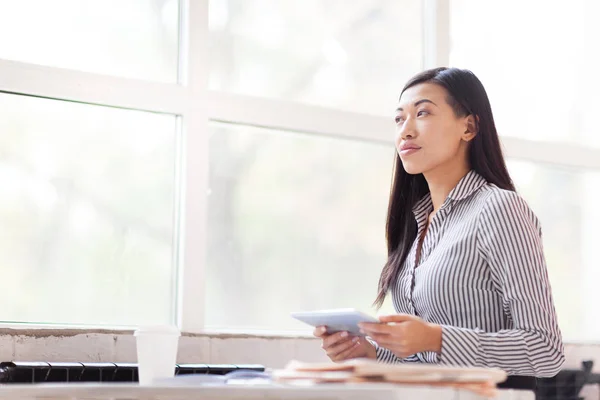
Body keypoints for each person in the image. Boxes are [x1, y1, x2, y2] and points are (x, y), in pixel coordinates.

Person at [314, 67, 565, 388]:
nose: (405, 130)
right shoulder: (415, 224)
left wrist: (437, 338)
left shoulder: (499, 208)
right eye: (398, 119)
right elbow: (424, 360)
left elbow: (545, 350)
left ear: (469, 127)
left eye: (422, 113)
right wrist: (368, 353)